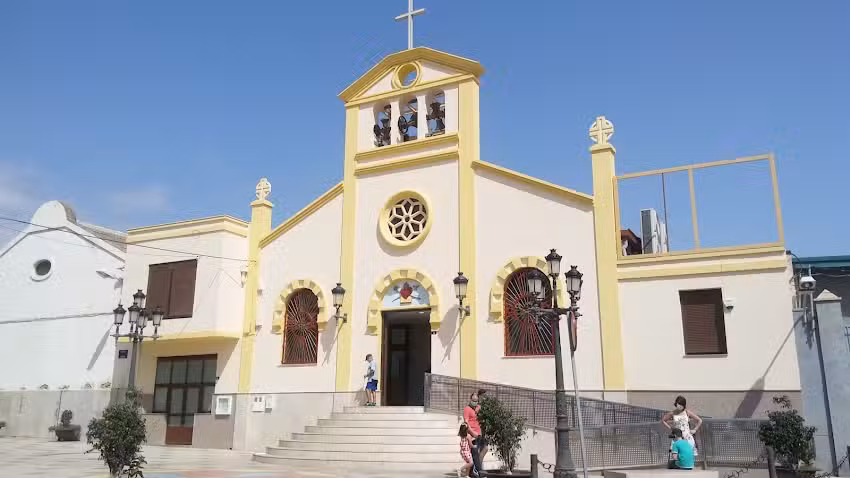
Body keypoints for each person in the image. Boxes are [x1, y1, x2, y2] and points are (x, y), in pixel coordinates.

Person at [463, 392, 486, 476]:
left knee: (484, 449)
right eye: (473, 400)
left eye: (476, 401)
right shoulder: (467, 409)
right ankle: (479, 471)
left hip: (479, 434)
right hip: (472, 435)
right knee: (475, 453)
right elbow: (466, 423)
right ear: (470, 400)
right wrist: (472, 432)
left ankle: (473, 471)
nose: (475, 402)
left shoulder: (478, 408)